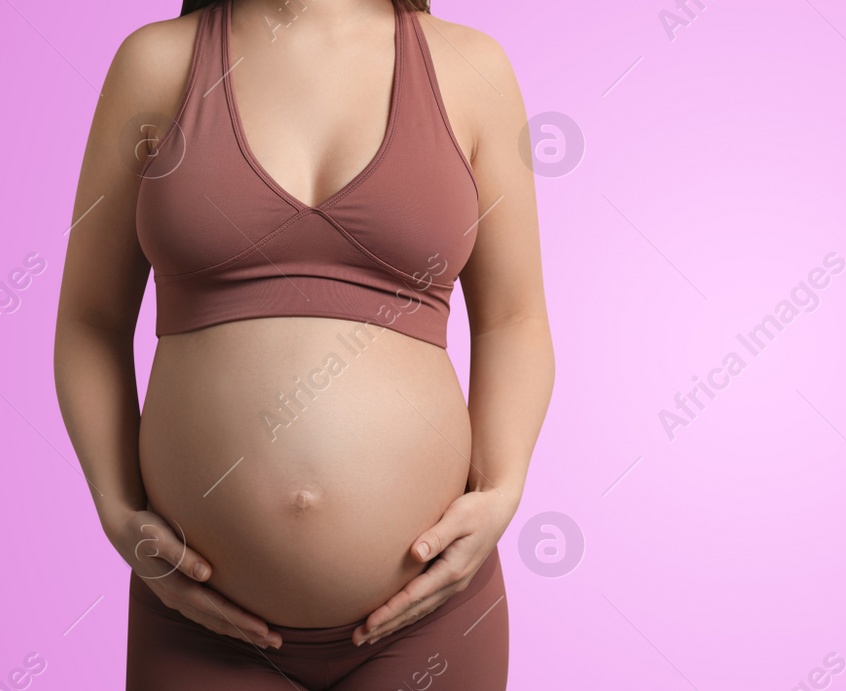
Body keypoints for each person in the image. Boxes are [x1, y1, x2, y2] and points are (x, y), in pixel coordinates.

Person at [53, 0, 551, 688]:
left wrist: (501, 491)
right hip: (196, 620)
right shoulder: (157, 64)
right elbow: (90, 318)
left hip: (431, 612)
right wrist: (116, 510)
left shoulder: (469, 66)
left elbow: (514, 317)